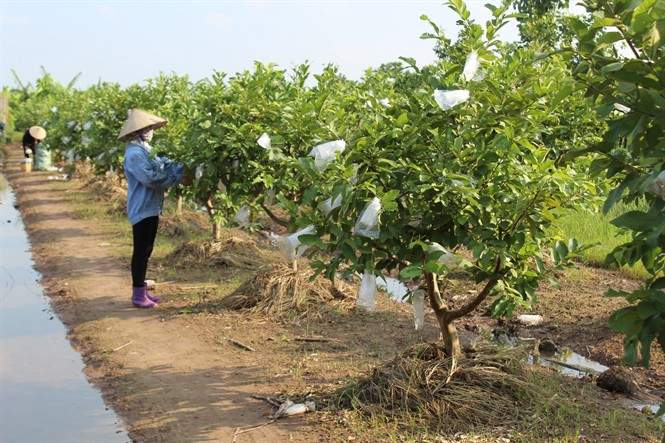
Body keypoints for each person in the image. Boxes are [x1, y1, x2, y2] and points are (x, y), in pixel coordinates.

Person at [119, 109, 184, 308]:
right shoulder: (134, 154)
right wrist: (175, 178)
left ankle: (141, 289)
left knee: (147, 249)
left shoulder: (146, 148)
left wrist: (180, 166)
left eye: (151, 128)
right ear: (136, 131)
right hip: (142, 207)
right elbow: (150, 178)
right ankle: (137, 295)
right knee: (141, 250)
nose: (150, 131)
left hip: (151, 206)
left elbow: (163, 164)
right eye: (146, 128)